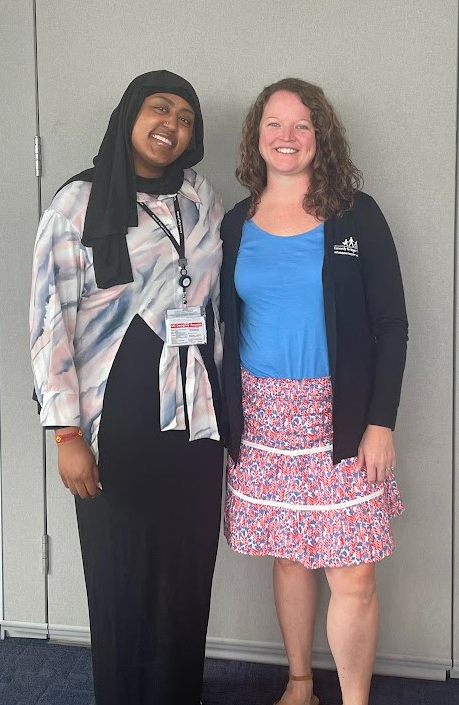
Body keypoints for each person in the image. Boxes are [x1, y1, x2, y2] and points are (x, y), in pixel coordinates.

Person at [30, 70, 224, 705]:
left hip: (193, 415)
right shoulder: (76, 206)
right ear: (129, 115)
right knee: (122, 579)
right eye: (159, 107)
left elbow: (217, 302)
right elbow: (49, 322)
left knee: (188, 574)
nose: (172, 123)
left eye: (187, 117)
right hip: (115, 420)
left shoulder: (201, 197)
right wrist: (65, 433)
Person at [220, 78, 408, 705]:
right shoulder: (234, 224)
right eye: (274, 124)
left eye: (302, 125)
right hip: (264, 417)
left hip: (344, 417)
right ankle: (299, 683)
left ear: (320, 136)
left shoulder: (354, 216)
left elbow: (391, 322)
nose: (287, 137)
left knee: (352, 572)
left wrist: (380, 421)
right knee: (289, 555)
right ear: (257, 137)